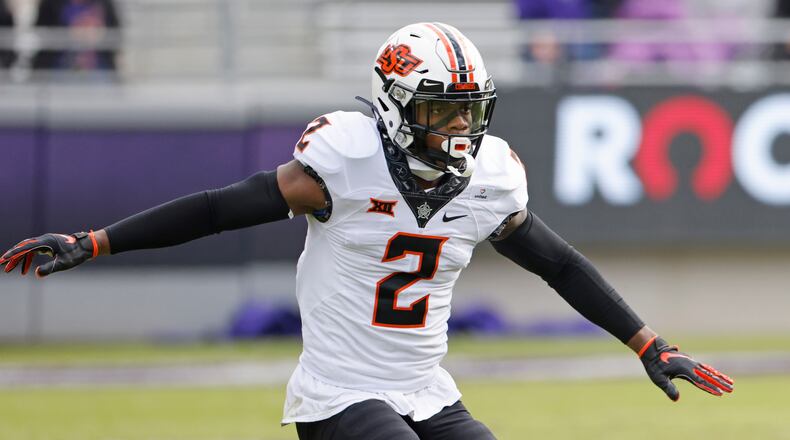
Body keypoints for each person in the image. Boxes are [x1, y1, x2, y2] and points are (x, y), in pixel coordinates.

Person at [1, 22, 733, 440]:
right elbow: (217, 209)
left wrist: (649, 343)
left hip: (425, 389)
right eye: (442, 111)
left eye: (470, 111)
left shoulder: (490, 179)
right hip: (338, 392)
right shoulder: (342, 163)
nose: (460, 128)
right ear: (394, 106)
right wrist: (96, 241)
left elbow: (559, 264)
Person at [31, 0, 120, 72]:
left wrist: (98, 34)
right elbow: (40, 33)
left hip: (98, 71)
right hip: (57, 69)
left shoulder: (104, 4)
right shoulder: (51, 3)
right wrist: (70, 35)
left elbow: (115, 34)